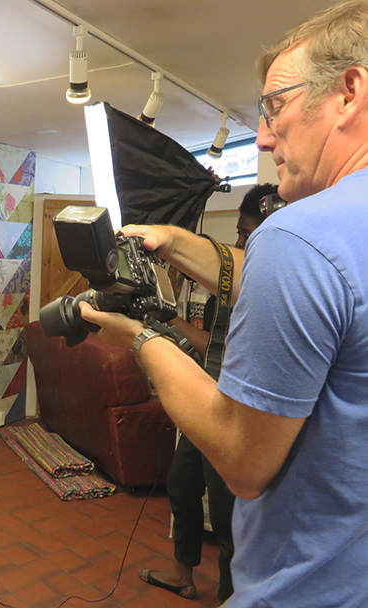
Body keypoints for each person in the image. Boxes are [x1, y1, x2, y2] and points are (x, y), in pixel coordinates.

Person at [80, 2, 368, 606]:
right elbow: (311, 294)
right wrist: (175, 240)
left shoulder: (297, 237)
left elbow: (243, 460)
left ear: (349, 93)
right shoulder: (332, 239)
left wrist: (139, 337)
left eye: (275, 106)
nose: (262, 135)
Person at [139, 183, 278, 604]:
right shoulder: (226, 289)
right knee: (181, 485)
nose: (239, 242)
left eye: (246, 234)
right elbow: (211, 346)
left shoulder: (268, 293)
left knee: (225, 516)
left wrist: (162, 331)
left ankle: (230, 598)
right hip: (208, 399)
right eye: (238, 233)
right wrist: (166, 320)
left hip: (235, 412)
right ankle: (182, 574)